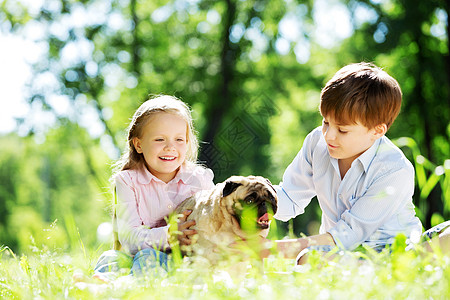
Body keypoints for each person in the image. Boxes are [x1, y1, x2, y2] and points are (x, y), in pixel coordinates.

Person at [272, 62, 422, 264]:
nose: (329, 136)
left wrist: (267, 250)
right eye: (325, 122)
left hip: (390, 254)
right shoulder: (317, 142)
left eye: (342, 130)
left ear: (377, 131)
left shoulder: (394, 170)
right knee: (311, 259)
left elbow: (345, 236)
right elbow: (289, 198)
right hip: (339, 254)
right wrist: (240, 201)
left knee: (310, 260)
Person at [82, 95, 215, 282]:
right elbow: (130, 238)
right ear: (138, 144)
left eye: (179, 139)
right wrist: (169, 234)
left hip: (185, 260)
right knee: (110, 258)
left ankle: (120, 286)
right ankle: (101, 285)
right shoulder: (127, 181)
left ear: (187, 142)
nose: (170, 147)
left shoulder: (199, 179)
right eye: (160, 139)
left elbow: (218, 217)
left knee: (148, 258)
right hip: (136, 255)